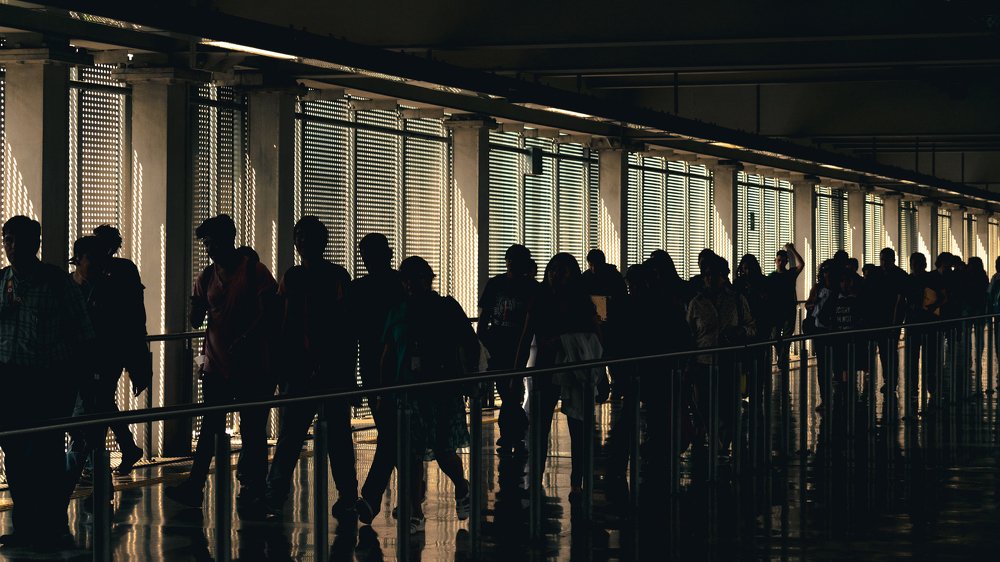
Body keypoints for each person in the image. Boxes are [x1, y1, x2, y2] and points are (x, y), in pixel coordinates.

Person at [166, 215, 278, 511]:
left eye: (213, 242)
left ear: (229, 239)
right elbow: (197, 320)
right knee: (212, 428)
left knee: (253, 428)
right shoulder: (205, 277)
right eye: (206, 244)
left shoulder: (254, 272)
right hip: (216, 366)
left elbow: (270, 313)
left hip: (252, 366)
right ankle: (198, 484)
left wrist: (246, 339)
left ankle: (252, 484)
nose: (210, 249)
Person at [0, 216, 94, 549]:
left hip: (47, 382)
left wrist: (86, 385)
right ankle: (28, 524)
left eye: (18, 240)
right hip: (10, 381)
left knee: (45, 454)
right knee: (15, 455)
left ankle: (48, 523)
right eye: (7, 240)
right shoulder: (3, 282)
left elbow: (83, 335)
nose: (12, 247)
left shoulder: (56, 282)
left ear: (35, 244)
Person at [264, 217, 359, 519]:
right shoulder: (334, 276)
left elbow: (283, 323)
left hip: (304, 370)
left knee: (293, 435)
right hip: (321, 370)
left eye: (306, 237)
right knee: (335, 436)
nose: (303, 242)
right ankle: (347, 494)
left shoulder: (293, 278)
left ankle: (276, 492)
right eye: (300, 236)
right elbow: (345, 329)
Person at [381, 256, 480, 534]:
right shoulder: (398, 311)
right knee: (410, 455)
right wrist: (382, 390)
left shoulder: (445, 307)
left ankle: (461, 486)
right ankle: (414, 510)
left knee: (443, 449)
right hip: (409, 393)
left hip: (441, 390)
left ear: (428, 279)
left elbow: (468, 342)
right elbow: (388, 354)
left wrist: (469, 376)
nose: (411, 284)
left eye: (416, 278)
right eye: (407, 279)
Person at [64, 236, 148, 505]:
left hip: (99, 364)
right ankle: (100, 487)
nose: (100, 265)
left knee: (84, 427)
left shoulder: (103, 286)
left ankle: (71, 490)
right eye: (94, 260)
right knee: (92, 425)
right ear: (79, 259)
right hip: (85, 365)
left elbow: (125, 327)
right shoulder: (103, 284)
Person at [516, 253, 603, 502]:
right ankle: (543, 477)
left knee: (573, 427)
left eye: (561, 270)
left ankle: (574, 480)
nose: (556, 274)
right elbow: (526, 337)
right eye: (553, 269)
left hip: (563, 369)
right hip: (557, 369)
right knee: (546, 426)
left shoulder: (570, 301)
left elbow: (595, 334)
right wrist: (518, 370)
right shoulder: (549, 299)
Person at [353, 233, 405, 525]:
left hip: (375, 371)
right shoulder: (401, 285)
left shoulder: (358, 290)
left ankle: (373, 497)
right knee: (395, 435)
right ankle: (396, 496)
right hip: (398, 371)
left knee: (391, 434)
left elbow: (350, 336)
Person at [687, 254, 755, 454]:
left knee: (729, 408)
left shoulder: (736, 300)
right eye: (706, 275)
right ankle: (713, 441)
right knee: (704, 407)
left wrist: (740, 332)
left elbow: (751, 327)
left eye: (714, 275)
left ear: (724, 276)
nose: (710, 278)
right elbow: (689, 333)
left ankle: (722, 445)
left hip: (729, 361)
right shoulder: (696, 303)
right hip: (703, 362)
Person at [477, 244, 539, 455]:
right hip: (506, 344)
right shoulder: (530, 287)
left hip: (504, 344)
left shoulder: (498, 284)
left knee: (507, 389)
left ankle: (511, 430)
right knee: (509, 389)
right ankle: (516, 427)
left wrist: (482, 339)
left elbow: (485, 315)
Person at [902, 252, 942, 406]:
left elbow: (902, 300)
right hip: (928, 322)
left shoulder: (909, 280)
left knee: (914, 358)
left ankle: (914, 390)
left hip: (915, 323)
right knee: (929, 358)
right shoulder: (932, 278)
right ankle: (929, 388)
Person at [867, 248, 908, 394]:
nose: (883, 263)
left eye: (886, 260)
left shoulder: (897, 275)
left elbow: (901, 300)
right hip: (880, 317)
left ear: (893, 260)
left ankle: (891, 380)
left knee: (889, 350)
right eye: (882, 260)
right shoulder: (890, 274)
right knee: (886, 350)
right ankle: (889, 380)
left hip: (891, 319)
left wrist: (896, 322)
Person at [768, 243, 804, 374]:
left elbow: (801, 264)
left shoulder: (789, 274)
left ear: (786, 262)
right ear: (775, 261)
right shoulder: (772, 277)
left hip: (787, 309)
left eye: (783, 261)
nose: (781, 263)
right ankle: (782, 358)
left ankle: (782, 358)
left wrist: (792, 249)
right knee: (776, 335)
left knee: (785, 336)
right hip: (778, 310)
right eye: (779, 260)